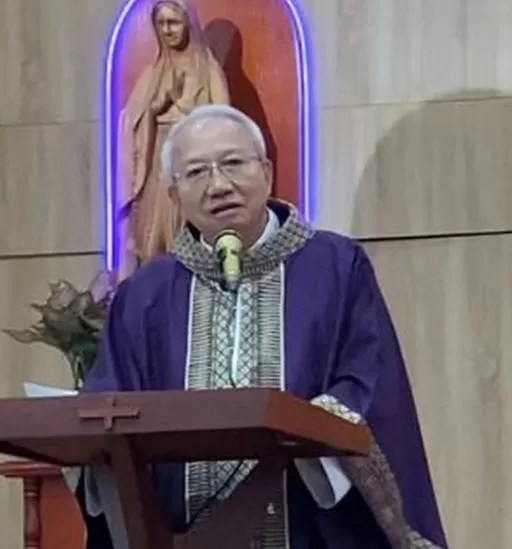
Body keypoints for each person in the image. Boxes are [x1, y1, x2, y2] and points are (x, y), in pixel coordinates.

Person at [79, 104, 447, 548]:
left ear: (267, 172)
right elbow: (110, 405)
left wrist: (297, 434)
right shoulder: (145, 295)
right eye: (196, 172)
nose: (219, 185)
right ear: (174, 196)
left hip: (309, 527)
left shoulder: (335, 267)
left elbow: (368, 378)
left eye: (233, 163)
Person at [116, 0, 229, 279]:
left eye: (173, 22)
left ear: (188, 24)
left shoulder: (208, 71)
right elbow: (131, 120)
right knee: (151, 240)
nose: (167, 30)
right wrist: (155, 108)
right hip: (157, 162)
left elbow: (224, 122)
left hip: (193, 162)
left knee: (189, 229)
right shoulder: (153, 73)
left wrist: (189, 112)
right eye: (161, 23)